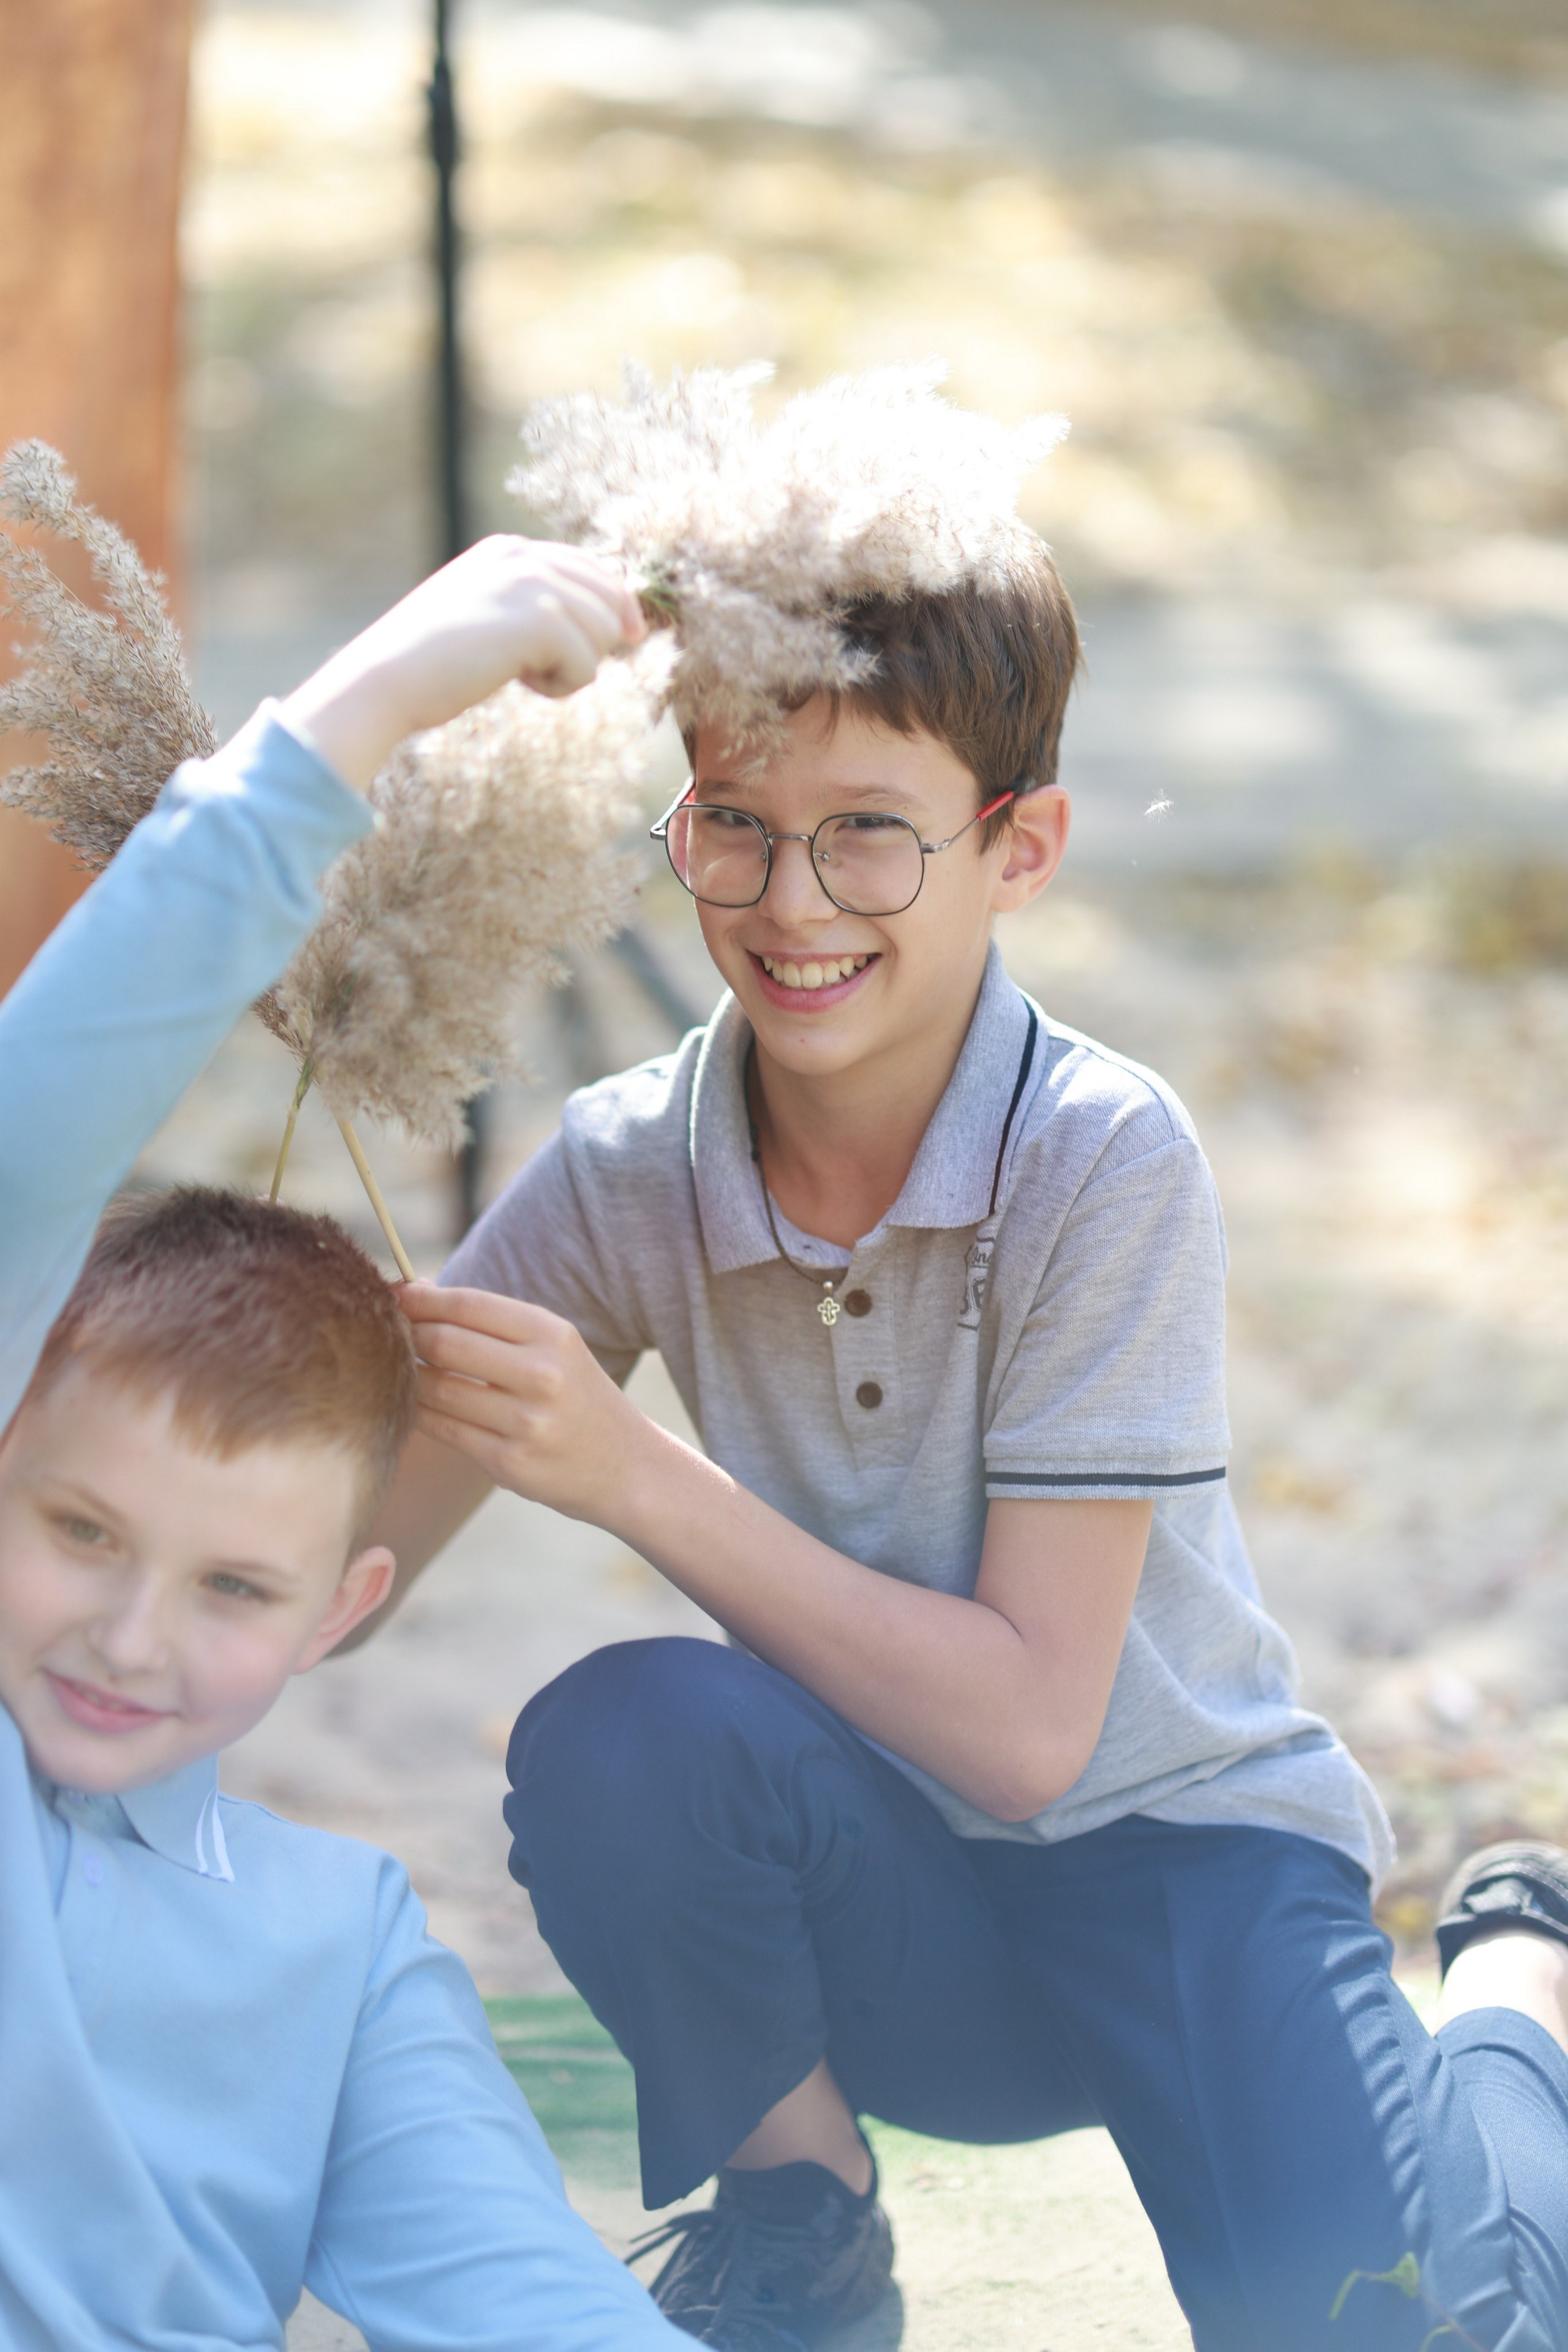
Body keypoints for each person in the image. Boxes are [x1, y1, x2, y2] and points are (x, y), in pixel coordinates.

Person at [368, 554, 1568, 2352]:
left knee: (1417, 2328)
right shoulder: (629, 1167)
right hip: (892, 1922)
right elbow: (333, 1569)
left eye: (869, 832)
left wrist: (626, 1470)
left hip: (1189, 1878)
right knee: (624, 1737)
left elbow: (1030, 1739)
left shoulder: (1104, 1156)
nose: (791, 902)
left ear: (1021, 847)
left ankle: (1515, 1990)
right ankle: (802, 2215)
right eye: (735, 828)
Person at [0, 536, 693, 2352]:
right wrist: (367, 705)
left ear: (344, 1604)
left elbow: (541, 2312)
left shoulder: (343, 1948)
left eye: (236, 1581)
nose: (131, 1635)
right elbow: (36, 1127)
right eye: (77, 1530)